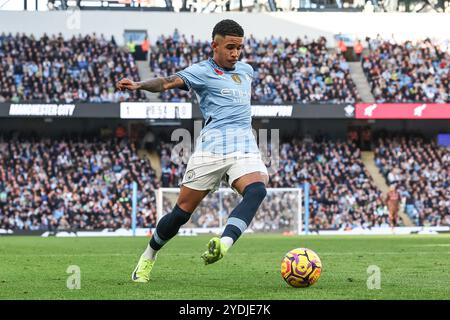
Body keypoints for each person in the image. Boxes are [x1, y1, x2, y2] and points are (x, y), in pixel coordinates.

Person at [116, 19, 269, 283]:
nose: (235, 53)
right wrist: (139, 86)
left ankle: (224, 244)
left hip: (244, 147)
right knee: (180, 214)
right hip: (211, 149)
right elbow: (165, 83)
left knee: (257, 190)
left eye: (239, 48)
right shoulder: (200, 71)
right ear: (215, 46)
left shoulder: (246, 70)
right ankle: (148, 256)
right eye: (230, 47)